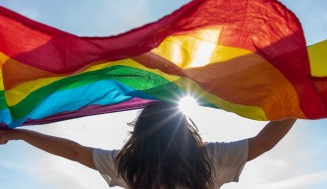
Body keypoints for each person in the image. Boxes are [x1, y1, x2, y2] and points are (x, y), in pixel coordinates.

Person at [0, 101, 296, 188]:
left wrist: (21, 134)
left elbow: (76, 152)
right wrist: (298, 105)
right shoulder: (209, 159)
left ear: (140, 133)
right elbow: (264, 143)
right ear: (185, 130)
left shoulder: (129, 165)